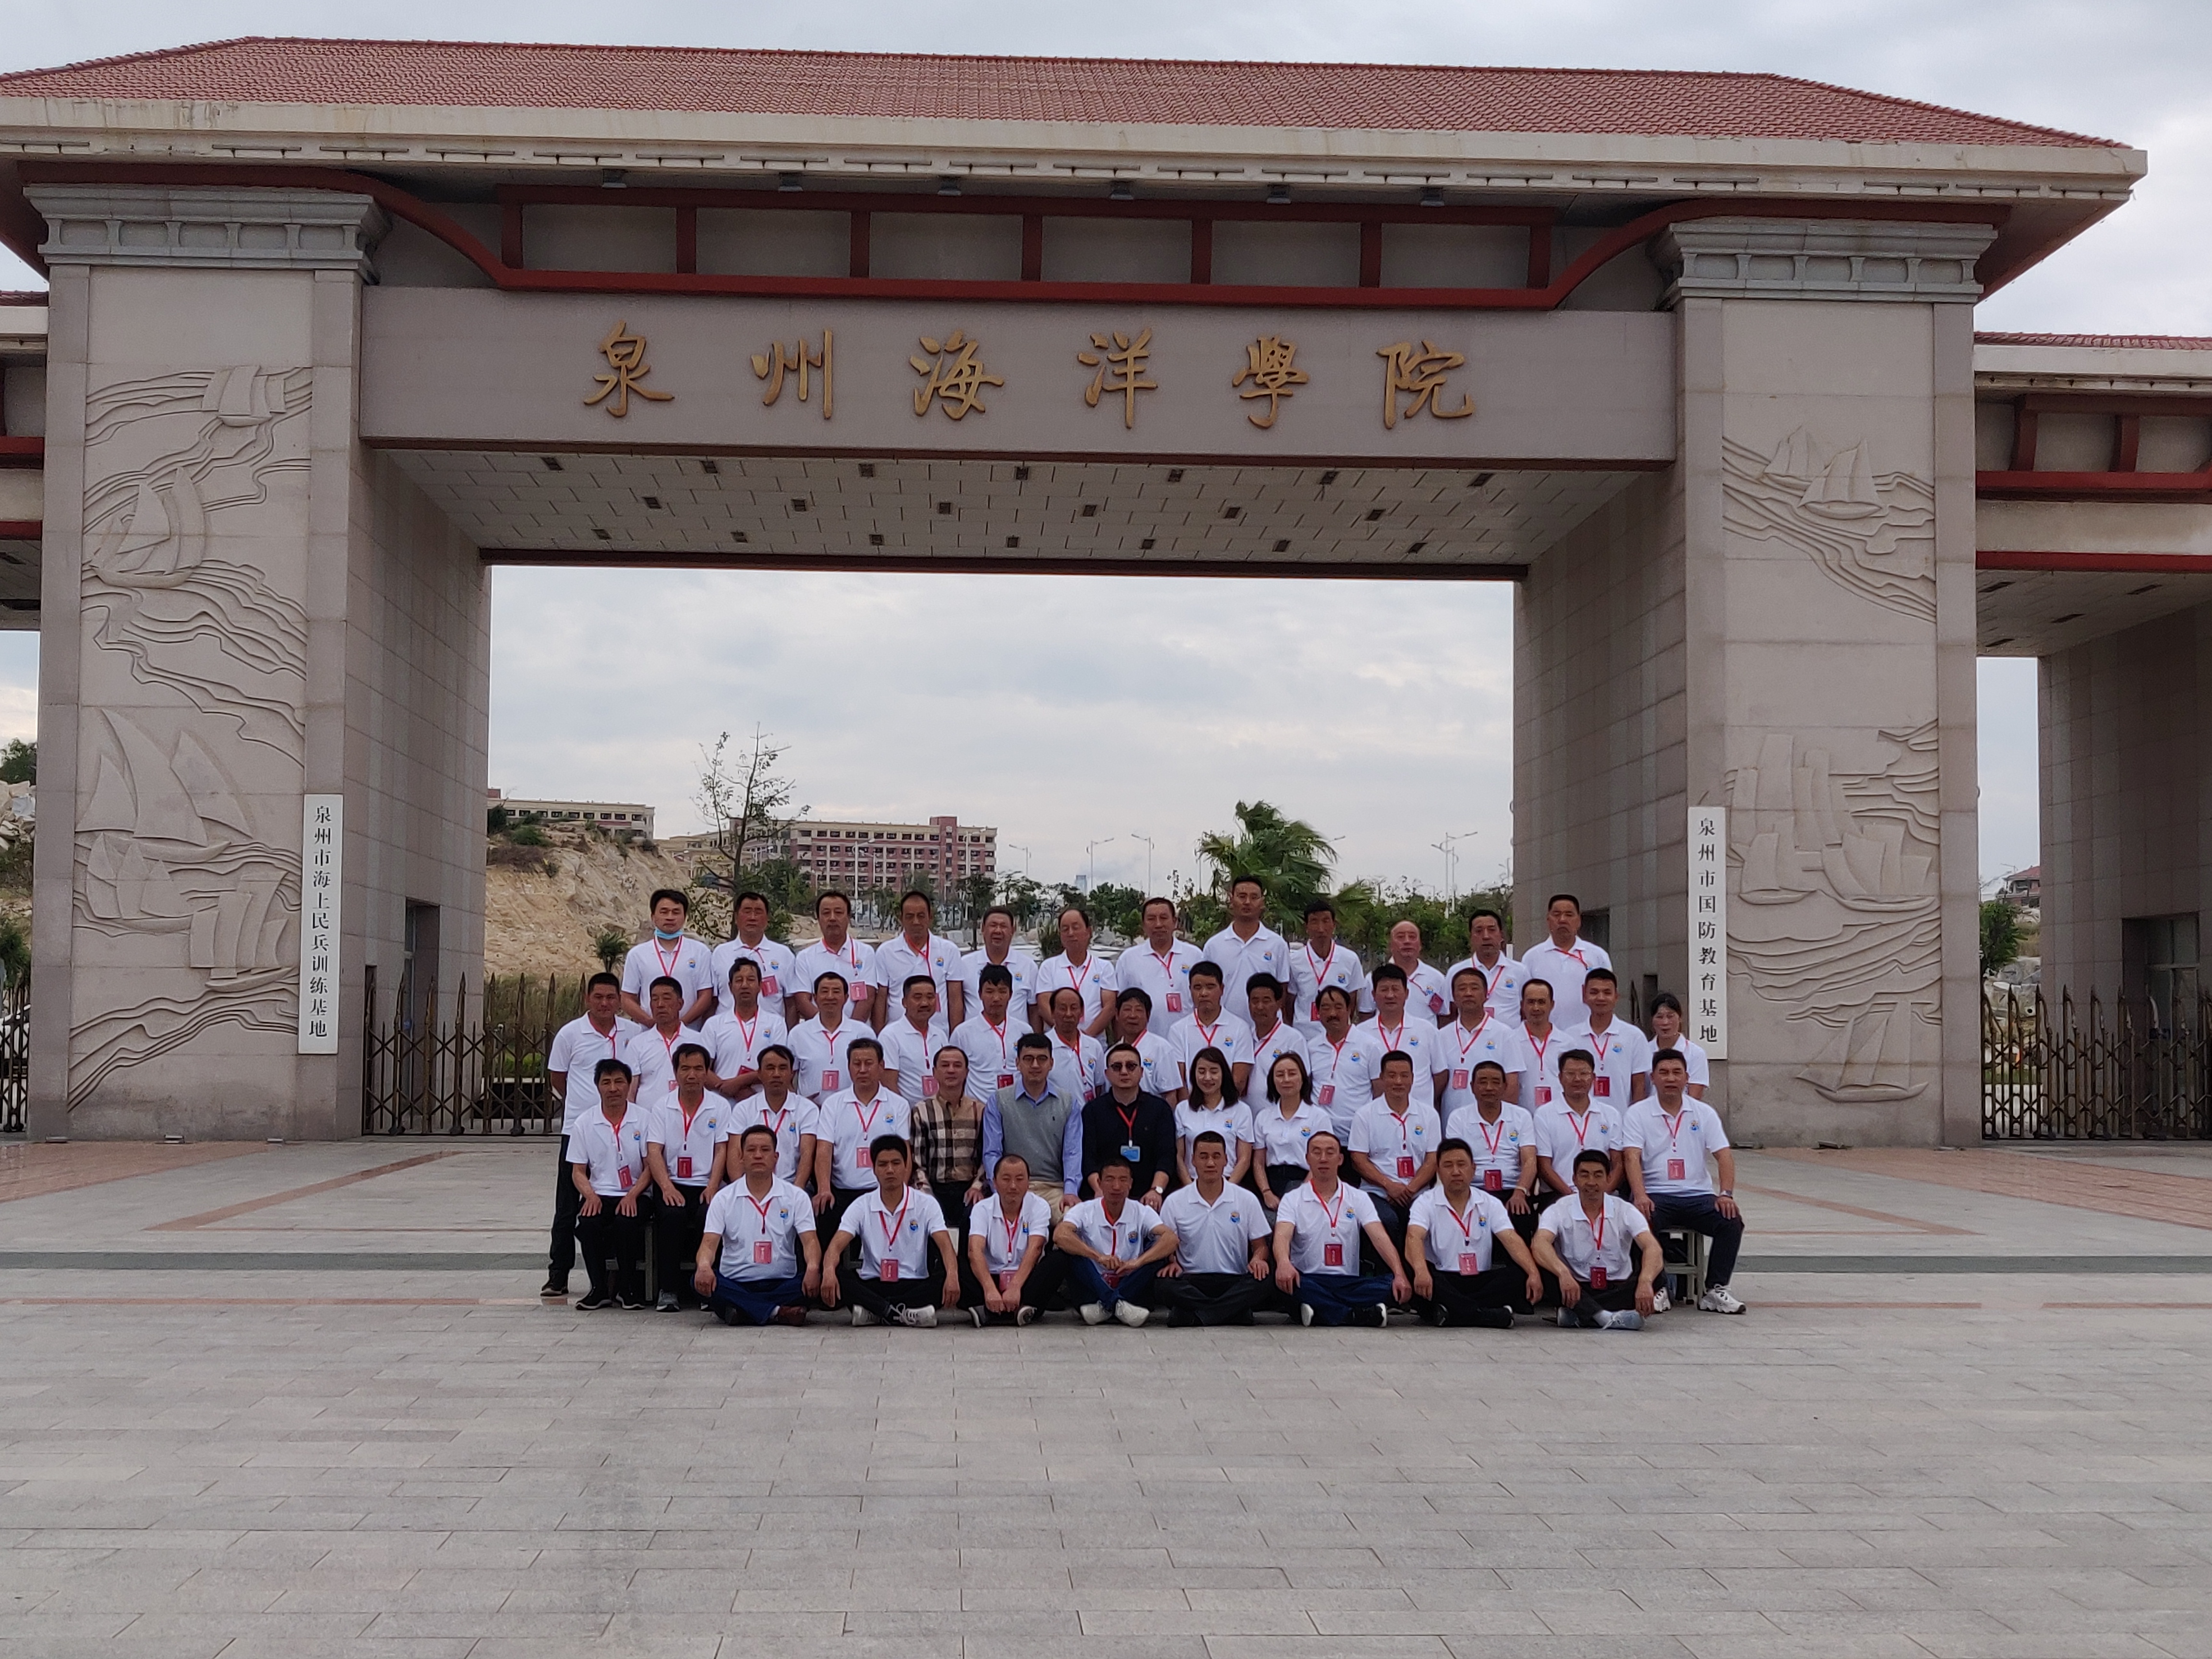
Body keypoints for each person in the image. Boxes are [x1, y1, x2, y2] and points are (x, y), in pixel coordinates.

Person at [1622, 1049, 1748, 1314]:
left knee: (1731, 1221)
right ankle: (1659, 1288)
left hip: (1698, 1195)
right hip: (1657, 1194)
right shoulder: (1637, 1113)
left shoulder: (1703, 1113)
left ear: (1687, 1078)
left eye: (1677, 1073)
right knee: (1640, 1219)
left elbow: (1724, 1155)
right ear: (1653, 1078)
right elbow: (1631, 1157)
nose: (1671, 1078)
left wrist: (1726, 1194)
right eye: (1664, 1073)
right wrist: (1640, 1195)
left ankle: (1715, 1289)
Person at [541, 971, 637, 1301]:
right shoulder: (571, 1034)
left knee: (613, 1200)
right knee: (568, 1207)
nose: (604, 1003)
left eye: (611, 998)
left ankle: (613, 1277)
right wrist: (583, 1108)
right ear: (588, 999)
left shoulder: (633, 1033)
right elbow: (558, 1078)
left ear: (620, 1001)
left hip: (620, 1128)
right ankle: (558, 1274)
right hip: (579, 1130)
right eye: (598, 997)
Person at [1271, 1131, 1411, 1327]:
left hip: (1348, 1282)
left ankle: (1322, 1312)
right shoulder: (1293, 1199)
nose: (1323, 1159)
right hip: (1310, 1279)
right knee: (1288, 1285)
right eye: (1317, 1152)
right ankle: (1358, 1314)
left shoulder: (1358, 1197)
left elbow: (1380, 1237)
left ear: (1340, 1159)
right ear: (1307, 1159)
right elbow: (1282, 1237)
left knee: (1391, 1286)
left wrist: (1399, 1273)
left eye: (1330, 1153)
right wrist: (1284, 1263)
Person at [819, 1135, 961, 1327]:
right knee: (837, 1273)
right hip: (874, 1283)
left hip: (914, 1282)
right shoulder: (862, 1204)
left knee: (949, 1274)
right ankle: (904, 1313)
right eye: (883, 1164)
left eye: (896, 1163)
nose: (890, 1170)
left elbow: (945, 1246)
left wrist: (952, 1276)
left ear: (906, 1166)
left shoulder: (926, 1204)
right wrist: (828, 1271)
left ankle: (878, 1312)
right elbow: (835, 1247)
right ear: (874, 1169)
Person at [1405, 1137, 1544, 1328]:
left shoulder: (1490, 1202)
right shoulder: (1425, 1202)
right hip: (1443, 1278)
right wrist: (1421, 1271)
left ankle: (1453, 1313)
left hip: (1479, 1279)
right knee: (1411, 1269)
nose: (1456, 1171)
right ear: (1438, 1171)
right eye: (1448, 1165)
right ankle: (1483, 1315)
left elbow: (1511, 1239)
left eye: (1461, 1165)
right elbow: (1414, 1237)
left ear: (1473, 1169)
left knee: (1520, 1274)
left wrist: (1534, 1273)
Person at [693, 1123, 819, 1327]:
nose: (758, 1156)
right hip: (736, 1282)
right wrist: (704, 1266)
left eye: (765, 1150)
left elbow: (810, 1241)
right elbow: (708, 1243)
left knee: (815, 1281)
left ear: (776, 1157)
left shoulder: (796, 1197)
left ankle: (745, 1311)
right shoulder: (723, 1198)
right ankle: (778, 1312)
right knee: (701, 1281)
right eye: (751, 1150)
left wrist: (813, 1268)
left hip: (782, 1283)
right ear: (741, 1157)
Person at [1534, 1148, 1664, 1329]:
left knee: (1657, 1272)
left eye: (1598, 1175)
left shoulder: (1624, 1209)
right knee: (1545, 1269)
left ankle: (1581, 1315)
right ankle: (1605, 1318)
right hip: (1576, 1286)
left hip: (1617, 1286)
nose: (1591, 1182)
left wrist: (1645, 1282)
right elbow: (1540, 1243)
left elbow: (1652, 1247)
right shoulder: (1559, 1209)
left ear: (1608, 1179)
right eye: (1584, 1175)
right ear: (1574, 1179)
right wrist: (1563, 1274)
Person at [1154, 1131, 1273, 1326]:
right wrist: (1172, 1261)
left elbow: (1260, 1246)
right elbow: (1166, 1246)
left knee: (1264, 1280)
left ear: (1226, 1160)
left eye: (1216, 1156)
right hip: (1191, 1279)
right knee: (1163, 1284)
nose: (1210, 1163)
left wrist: (1258, 1259)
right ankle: (1233, 1313)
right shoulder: (1175, 1201)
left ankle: (1196, 1316)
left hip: (1234, 1279)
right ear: (1193, 1160)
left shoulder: (1246, 1199)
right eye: (1204, 1157)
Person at [645, 1043, 729, 1310]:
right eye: (685, 1069)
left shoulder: (719, 1106)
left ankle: (708, 1290)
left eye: (698, 1069)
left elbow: (722, 1149)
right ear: (676, 1072)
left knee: (710, 1216)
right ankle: (669, 1290)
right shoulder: (662, 1107)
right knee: (672, 1216)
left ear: (707, 1072)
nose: (692, 1075)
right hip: (673, 1183)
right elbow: (654, 1151)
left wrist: (713, 1186)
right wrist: (667, 1187)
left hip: (706, 1183)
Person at [569, 1058, 654, 1310]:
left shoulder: (644, 1119)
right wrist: (590, 1195)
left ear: (629, 1085)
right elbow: (578, 1171)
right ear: (598, 1087)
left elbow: (651, 1166)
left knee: (626, 1223)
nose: (613, 1088)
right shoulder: (584, 1123)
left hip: (637, 1193)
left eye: (619, 1082)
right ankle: (599, 1289)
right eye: (606, 1083)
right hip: (600, 1193)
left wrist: (633, 1195)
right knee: (588, 1223)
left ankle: (628, 1289)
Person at [812, 1037, 915, 1244]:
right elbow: (824, 1150)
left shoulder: (898, 1105)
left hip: (883, 1190)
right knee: (822, 1211)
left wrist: (901, 1191)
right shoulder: (833, 1104)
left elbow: (904, 1153)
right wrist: (824, 1188)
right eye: (856, 1064)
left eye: (869, 1064)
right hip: (843, 1190)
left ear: (881, 1066)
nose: (862, 1070)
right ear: (849, 1067)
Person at [1054, 1159, 1178, 1326]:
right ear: (1099, 1183)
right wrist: (1098, 1257)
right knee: (1069, 1251)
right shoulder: (1084, 1210)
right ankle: (1117, 1303)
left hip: (1131, 1283)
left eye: (1123, 1180)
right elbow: (1060, 1235)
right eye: (1110, 1179)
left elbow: (1171, 1239)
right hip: (1093, 1286)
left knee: (1158, 1250)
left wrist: (1137, 1262)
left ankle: (1108, 1305)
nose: (1117, 1186)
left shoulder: (1141, 1211)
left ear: (1131, 1184)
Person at [981, 1031, 1084, 1220]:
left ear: (1051, 1063)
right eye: (1028, 1059)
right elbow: (992, 1152)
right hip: (1012, 1187)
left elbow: (1073, 1153)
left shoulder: (1068, 1103)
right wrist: (999, 1190)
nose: (1035, 1065)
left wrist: (1071, 1191)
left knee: (1073, 1221)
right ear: (1018, 1063)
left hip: (1054, 1189)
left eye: (1042, 1059)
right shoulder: (998, 1101)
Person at [1346, 1052, 1442, 1254]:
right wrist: (1389, 1186)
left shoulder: (1429, 1115)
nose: (1398, 1081)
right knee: (1386, 1221)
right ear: (1381, 1078)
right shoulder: (1365, 1115)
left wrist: (1409, 1189)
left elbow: (1433, 1160)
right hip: (1377, 1192)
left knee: (1423, 1220)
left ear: (1413, 1078)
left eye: (1404, 1075)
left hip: (1418, 1192)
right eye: (1392, 1075)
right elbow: (1358, 1160)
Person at [962, 1152, 1061, 1325]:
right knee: (961, 1262)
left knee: (1059, 1260)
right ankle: (1014, 1309)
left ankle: (1004, 1310)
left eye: (1020, 1179)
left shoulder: (1040, 1206)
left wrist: (1015, 1287)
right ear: (995, 1183)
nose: (1013, 1186)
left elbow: (1036, 1248)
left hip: (1024, 1277)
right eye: (1006, 1179)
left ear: (1028, 1183)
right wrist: (989, 1289)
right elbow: (975, 1251)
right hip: (991, 1275)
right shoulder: (982, 1208)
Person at [1079, 1041, 1178, 1208]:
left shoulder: (1160, 1109)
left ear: (1141, 1072)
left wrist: (1156, 1190)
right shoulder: (1093, 1110)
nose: (1124, 1072)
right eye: (1117, 1067)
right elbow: (1088, 1159)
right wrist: (1100, 1190)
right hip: (1104, 1194)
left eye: (1131, 1066)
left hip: (1149, 1194)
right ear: (1107, 1074)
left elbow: (1166, 1157)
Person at [1436, 965, 1529, 1134]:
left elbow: (1512, 1085)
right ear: (1454, 997)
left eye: (1474, 988)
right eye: (1462, 989)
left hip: (1493, 1128)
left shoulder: (1505, 1034)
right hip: (1452, 1125)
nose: (1468, 993)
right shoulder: (1441, 1036)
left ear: (1486, 995)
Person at [1457, 1060, 1539, 1236]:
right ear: (1472, 1087)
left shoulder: (1521, 1116)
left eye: (1495, 1082)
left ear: (1505, 1087)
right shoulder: (1459, 1118)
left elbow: (1530, 1160)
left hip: (1512, 1188)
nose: (1489, 1088)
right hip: (1474, 1189)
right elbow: (1457, 1161)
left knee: (1520, 1214)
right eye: (1483, 1082)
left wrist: (1520, 1192)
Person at [1352, 965, 1447, 1114]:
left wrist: (1422, 1098)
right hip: (1376, 1115)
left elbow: (1440, 1074)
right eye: (1384, 990)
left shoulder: (1427, 1030)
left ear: (1407, 993)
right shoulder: (1360, 1033)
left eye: (1396, 989)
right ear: (1374, 995)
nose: (1390, 995)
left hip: (1419, 1116)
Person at [723, 1043, 818, 1190]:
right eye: (770, 1068)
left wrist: (796, 1192)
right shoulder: (743, 1109)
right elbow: (735, 1154)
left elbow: (807, 1154)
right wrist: (741, 1190)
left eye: (783, 1068)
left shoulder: (807, 1109)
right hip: (751, 1186)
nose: (776, 1074)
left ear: (791, 1074)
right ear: (759, 1074)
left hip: (791, 1185)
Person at [1534, 1050, 1624, 1201]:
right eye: (1570, 1074)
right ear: (1560, 1078)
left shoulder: (1611, 1114)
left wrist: (1603, 1193)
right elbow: (1544, 1166)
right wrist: (1572, 1197)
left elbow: (1618, 1163)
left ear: (1593, 1078)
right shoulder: (1544, 1114)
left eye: (1584, 1074)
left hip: (1603, 1195)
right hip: (1559, 1195)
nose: (1577, 1079)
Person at [910, 1045, 988, 1219]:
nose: (951, 1070)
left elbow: (987, 1157)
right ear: (935, 1072)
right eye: (945, 1065)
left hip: (970, 1189)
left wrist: (978, 1186)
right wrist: (925, 1195)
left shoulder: (980, 1111)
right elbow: (917, 1162)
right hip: (934, 1188)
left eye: (957, 1065)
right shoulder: (921, 1111)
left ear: (967, 1072)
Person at [620, 889, 718, 1027]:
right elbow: (627, 998)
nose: (670, 917)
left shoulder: (701, 952)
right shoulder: (637, 955)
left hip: (690, 1033)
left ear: (685, 917)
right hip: (650, 1033)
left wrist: (683, 1024)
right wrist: (650, 1023)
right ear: (653, 917)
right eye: (664, 912)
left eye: (676, 912)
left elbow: (706, 995)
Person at [870, 890, 964, 1033]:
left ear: (930, 917)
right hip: (897, 1036)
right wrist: (880, 1036)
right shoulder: (885, 952)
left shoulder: (949, 950)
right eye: (910, 917)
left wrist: (955, 1038)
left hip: (938, 1034)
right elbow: (881, 999)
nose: (916, 922)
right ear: (901, 918)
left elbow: (955, 999)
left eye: (921, 916)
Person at [1251, 1052, 1332, 1217]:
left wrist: (1302, 1193)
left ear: (1303, 1079)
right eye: (1280, 1075)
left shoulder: (1318, 1117)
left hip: (1305, 1183)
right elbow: (1258, 1162)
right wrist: (1266, 1192)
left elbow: (1322, 1162)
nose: (1286, 1079)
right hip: (1271, 1184)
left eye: (1292, 1074)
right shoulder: (1263, 1117)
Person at [1202, 874, 1292, 1021]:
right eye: (1242, 896)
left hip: (1266, 1027)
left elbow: (1283, 988)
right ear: (1231, 900)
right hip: (1226, 1027)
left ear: (1262, 902)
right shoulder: (1214, 946)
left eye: (1254, 897)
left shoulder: (1277, 944)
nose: (1248, 902)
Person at [708, 890, 801, 1024]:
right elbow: (712, 1001)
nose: (752, 917)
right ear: (736, 918)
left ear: (767, 919)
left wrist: (788, 1035)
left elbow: (791, 1003)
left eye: (758, 912)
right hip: (727, 1030)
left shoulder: (784, 955)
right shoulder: (720, 953)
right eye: (747, 911)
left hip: (771, 1032)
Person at [701, 957, 787, 1103]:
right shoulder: (714, 1024)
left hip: (762, 1101)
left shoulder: (776, 1023)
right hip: (722, 1103)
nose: (745, 985)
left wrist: (740, 1082)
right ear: (730, 987)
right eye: (739, 980)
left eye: (751, 980)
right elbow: (702, 1068)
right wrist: (729, 1089)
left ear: (760, 986)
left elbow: (778, 1066)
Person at [1116, 896, 1202, 1037]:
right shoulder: (1128, 959)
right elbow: (1120, 1009)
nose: (1158, 924)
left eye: (1164, 918)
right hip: (1145, 1041)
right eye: (1151, 919)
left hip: (1188, 1039)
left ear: (1175, 922)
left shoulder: (1195, 956)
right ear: (1144, 925)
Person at [1167, 961, 1253, 1100]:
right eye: (1197, 988)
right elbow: (1179, 1081)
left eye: (1210, 987)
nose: (1203, 993)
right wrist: (1192, 1107)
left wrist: (1217, 1105)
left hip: (1228, 1105)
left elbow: (1239, 1080)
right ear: (1190, 990)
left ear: (1222, 989)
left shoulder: (1240, 1028)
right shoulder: (1178, 1030)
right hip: (1191, 1105)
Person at [1517, 894, 1610, 1023]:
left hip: (1586, 1032)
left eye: (1569, 915)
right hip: (1545, 1033)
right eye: (1557, 915)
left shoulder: (1597, 956)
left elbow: (1607, 998)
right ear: (1548, 920)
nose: (1562, 920)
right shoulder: (1532, 957)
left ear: (1579, 921)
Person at [1288, 899, 1371, 1039]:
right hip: (1304, 1035)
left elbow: (1352, 1002)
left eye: (1326, 921)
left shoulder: (1350, 959)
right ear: (1306, 927)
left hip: (1338, 1036)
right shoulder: (1294, 960)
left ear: (1334, 925)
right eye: (1314, 921)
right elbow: (1289, 1002)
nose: (1321, 928)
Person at [1575, 969, 1651, 1115]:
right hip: (1580, 1121)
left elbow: (1639, 1084)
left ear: (1616, 997)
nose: (1601, 998)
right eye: (1594, 992)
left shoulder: (1634, 1036)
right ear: (1584, 995)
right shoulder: (1570, 1037)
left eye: (1607, 993)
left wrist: (1634, 1119)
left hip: (1621, 1119)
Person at [1174, 1047, 1253, 1186]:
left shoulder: (1241, 1110)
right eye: (1201, 1071)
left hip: (1229, 1182)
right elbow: (1179, 1157)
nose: (1207, 1078)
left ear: (1224, 1074)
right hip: (1192, 1183)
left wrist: (1228, 1189)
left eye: (1214, 1071)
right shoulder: (1183, 1109)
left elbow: (1244, 1159)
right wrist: (1190, 1189)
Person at [793, 890, 876, 1023]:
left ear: (848, 917)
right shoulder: (805, 957)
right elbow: (803, 1000)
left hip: (857, 1031)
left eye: (838, 913)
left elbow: (868, 997)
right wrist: (824, 1027)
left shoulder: (866, 953)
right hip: (817, 1031)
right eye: (826, 913)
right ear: (818, 918)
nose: (832, 918)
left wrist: (850, 1030)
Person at [623, 977, 706, 1108]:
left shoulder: (698, 1040)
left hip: (687, 1115)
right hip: (648, 1116)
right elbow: (630, 1093)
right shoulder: (638, 1044)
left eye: (666, 998)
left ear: (680, 1004)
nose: (660, 1005)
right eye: (655, 999)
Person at [1307, 985, 1377, 1140]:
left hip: (1357, 1134)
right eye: (1326, 1008)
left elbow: (1379, 1091)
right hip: (1320, 1133)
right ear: (1318, 1013)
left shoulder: (1370, 1046)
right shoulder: (1311, 1047)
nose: (1333, 1013)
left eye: (1338, 1007)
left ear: (1349, 1010)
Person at [1036, 904, 1118, 1035]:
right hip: (1057, 1041)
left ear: (1088, 932)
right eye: (1065, 929)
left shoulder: (1104, 968)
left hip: (1094, 1040)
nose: (1071, 933)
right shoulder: (1048, 967)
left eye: (1076, 928)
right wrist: (1066, 1034)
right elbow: (1044, 1005)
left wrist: (1086, 1037)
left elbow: (1109, 1007)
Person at [960, 905, 1038, 1034]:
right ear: (983, 929)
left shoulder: (1028, 966)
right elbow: (957, 1005)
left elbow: (1034, 1010)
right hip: (974, 1040)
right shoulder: (965, 964)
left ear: (1013, 930)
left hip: (1017, 1040)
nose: (998, 931)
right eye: (993, 925)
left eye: (1003, 926)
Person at [953, 964, 1028, 1098]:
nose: (996, 998)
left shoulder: (1024, 1031)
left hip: (1016, 1106)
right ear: (980, 994)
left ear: (1011, 995)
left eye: (1002, 991)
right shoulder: (962, 1033)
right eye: (990, 992)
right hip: (978, 1105)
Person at [788, 970, 863, 1101]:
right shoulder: (798, 1034)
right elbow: (786, 1078)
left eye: (836, 991)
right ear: (815, 998)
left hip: (852, 1108)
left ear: (846, 998)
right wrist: (801, 1105)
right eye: (824, 991)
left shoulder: (862, 1033)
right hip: (810, 1110)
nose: (830, 997)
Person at [1444, 908, 1525, 1027]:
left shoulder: (1520, 971)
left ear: (1501, 936)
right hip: (1470, 1038)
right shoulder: (1457, 972)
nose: (1486, 936)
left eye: (1492, 930)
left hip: (1510, 1037)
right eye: (1479, 931)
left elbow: (1527, 1012)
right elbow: (1450, 1014)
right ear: (1471, 937)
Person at [879, 975, 948, 1105]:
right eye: (917, 997)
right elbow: (889, 1083)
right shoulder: (890, 1036)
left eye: (930, 997)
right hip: (908, 1112)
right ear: (904, 1002)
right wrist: (905, 1112)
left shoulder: (940, 1035)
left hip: (939, 1110)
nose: (925, 1003)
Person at [1109, 986, 1181, 1103]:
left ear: (1148, 1015)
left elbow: (1170, 1094)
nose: (1133, 1015)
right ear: (1117, 1015)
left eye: (1139, 1010)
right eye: (1127, 1009)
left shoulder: (1162, 1048)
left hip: (1152, 1112)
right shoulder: (1112, 1052)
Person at [1513, 978, 1569, 1115]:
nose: (1536, 1008)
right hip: (1523, 1118)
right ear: (1522, 1005)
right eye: (1531, 1002)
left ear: (1552, 1005)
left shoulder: (1568, 1043)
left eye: (1542, 1002)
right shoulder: (1511, 1041)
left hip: (1558, 1118)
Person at [1043, 986, 1106, 1106]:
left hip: (1087, 1114)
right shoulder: (1043, 1046)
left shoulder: (1094, 1046)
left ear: (1081, 1012)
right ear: (1052, 1012)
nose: (1068, 1014)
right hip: (1055, 1114)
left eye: (1074, 1008)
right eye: (1063, 1009)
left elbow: (1099, 1086)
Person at [1244, 973, 1310, 1089]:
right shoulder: (1244, 1036)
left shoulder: (1293, 1039)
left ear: (1279, 1004)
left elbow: (1303, 1080)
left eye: (1266, 1001)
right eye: (1255, 1001)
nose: (1260, 1007)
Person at [1385, 919, 1452, 1024]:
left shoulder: (1437, 978)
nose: (1407, 941)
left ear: (1420, 945)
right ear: (1391, 945)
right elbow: (1367, 1016)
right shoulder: (1375, 978)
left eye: (1412, 937)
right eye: (1401, 937)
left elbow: (1444, 1017)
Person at [1646, 993, 1711, 1099]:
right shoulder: (1643, 1051)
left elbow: (1694, 1097)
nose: (1665, 1022)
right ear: (1652, 1021)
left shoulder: (1696, 1054)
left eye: (1670, 1016)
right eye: (1660, 1017)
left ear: (1680, 1018)